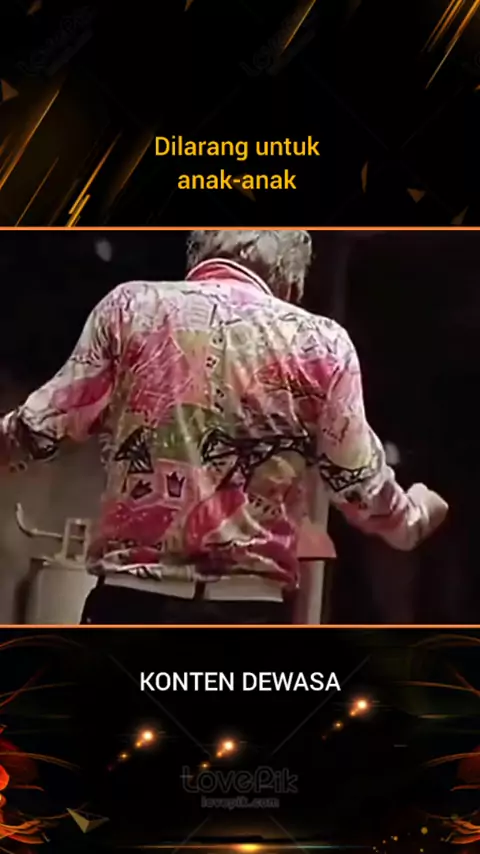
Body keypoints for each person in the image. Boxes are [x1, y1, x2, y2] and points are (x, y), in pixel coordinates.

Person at [0, 230, 448, 625]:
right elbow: (358, 484)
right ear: (291, 281)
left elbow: (40, 425)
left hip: (130, 603)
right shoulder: (322, 343)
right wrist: (414, 518)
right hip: (248, 612)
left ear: (198, 255)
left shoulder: (130, 307)